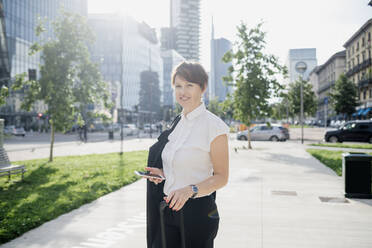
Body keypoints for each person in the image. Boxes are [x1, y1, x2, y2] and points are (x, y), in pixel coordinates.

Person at [144, 61, 229, 248]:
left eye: (189, 85)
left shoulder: (215, 127)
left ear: (203, 88)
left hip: (197, 214)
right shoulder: (176, 124)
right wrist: (162, 174)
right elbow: (179, 164)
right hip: (167, 209)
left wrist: (191, 190)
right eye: (178, 86)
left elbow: (222, 177)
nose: (183, 92)